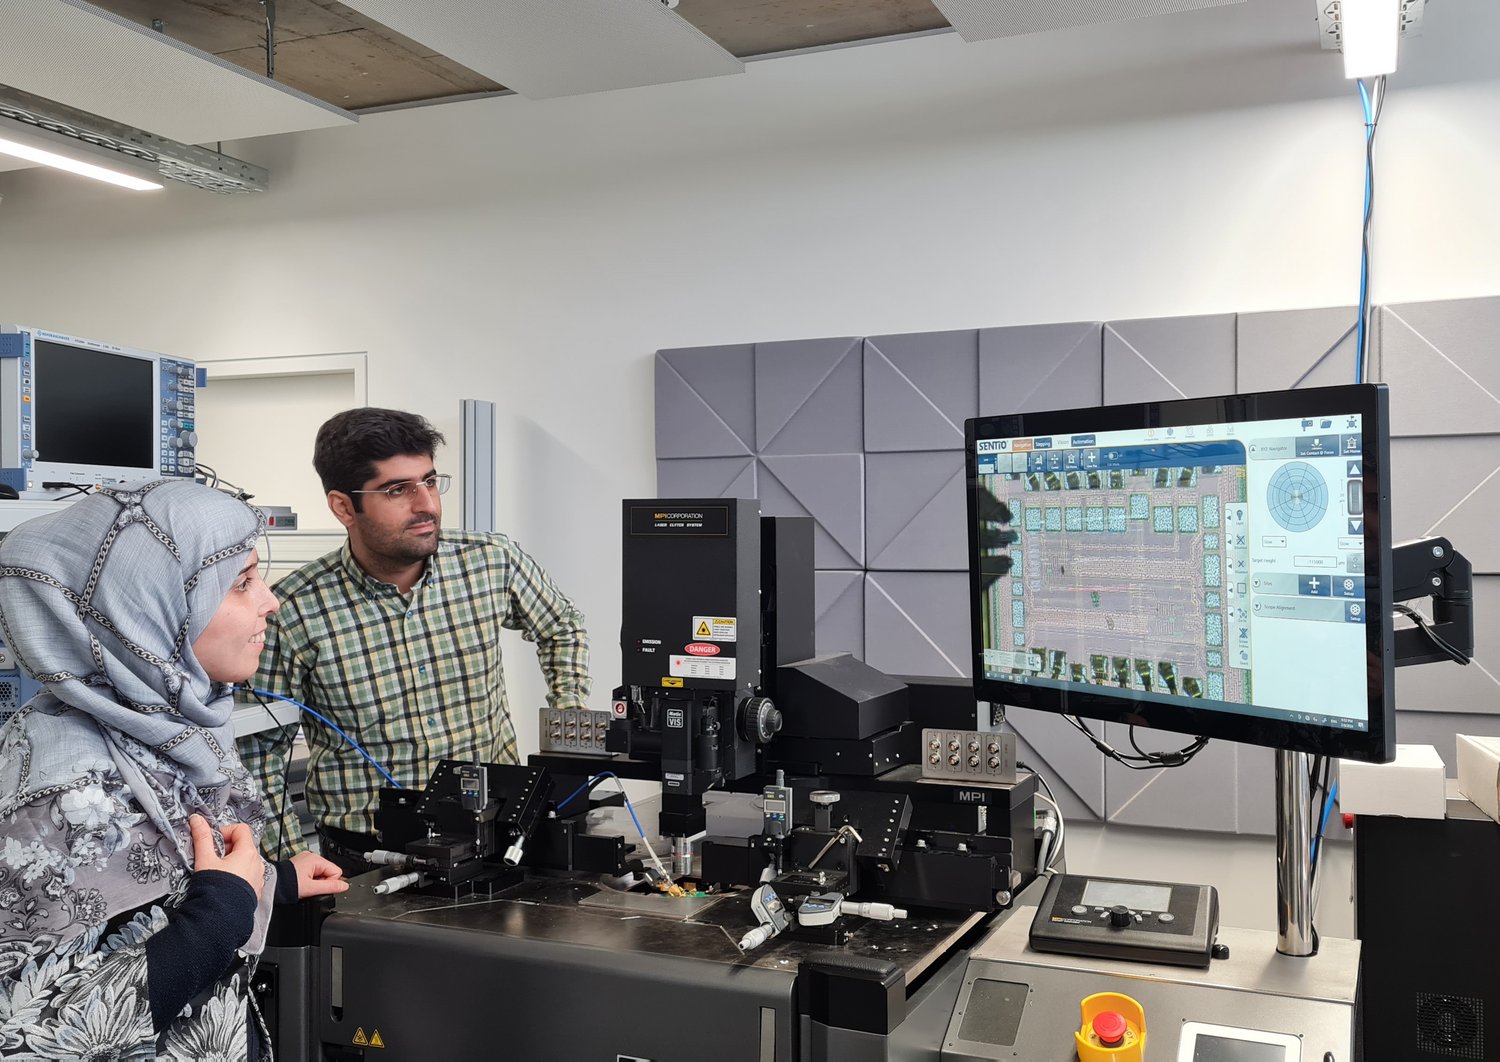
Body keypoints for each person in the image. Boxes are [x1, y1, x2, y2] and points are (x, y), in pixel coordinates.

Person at [0, 479, 347, 1059]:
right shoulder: (65, 797)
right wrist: (223, 909)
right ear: (148, 609)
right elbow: (30, 1037)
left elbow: (155, 901)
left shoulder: (163, 728)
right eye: (241, 583)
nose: (271, 601)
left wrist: (267, 882)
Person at [237, 408, 590, 873]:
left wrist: (568, 730)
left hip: (494, 835)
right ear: (344, 506)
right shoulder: (293, 608)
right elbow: (261, 756)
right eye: (397, 490)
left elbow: (561, 626)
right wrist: (287, 862)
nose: (427, 505)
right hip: (366, 855)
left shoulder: (490, 561)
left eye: (429, 481)